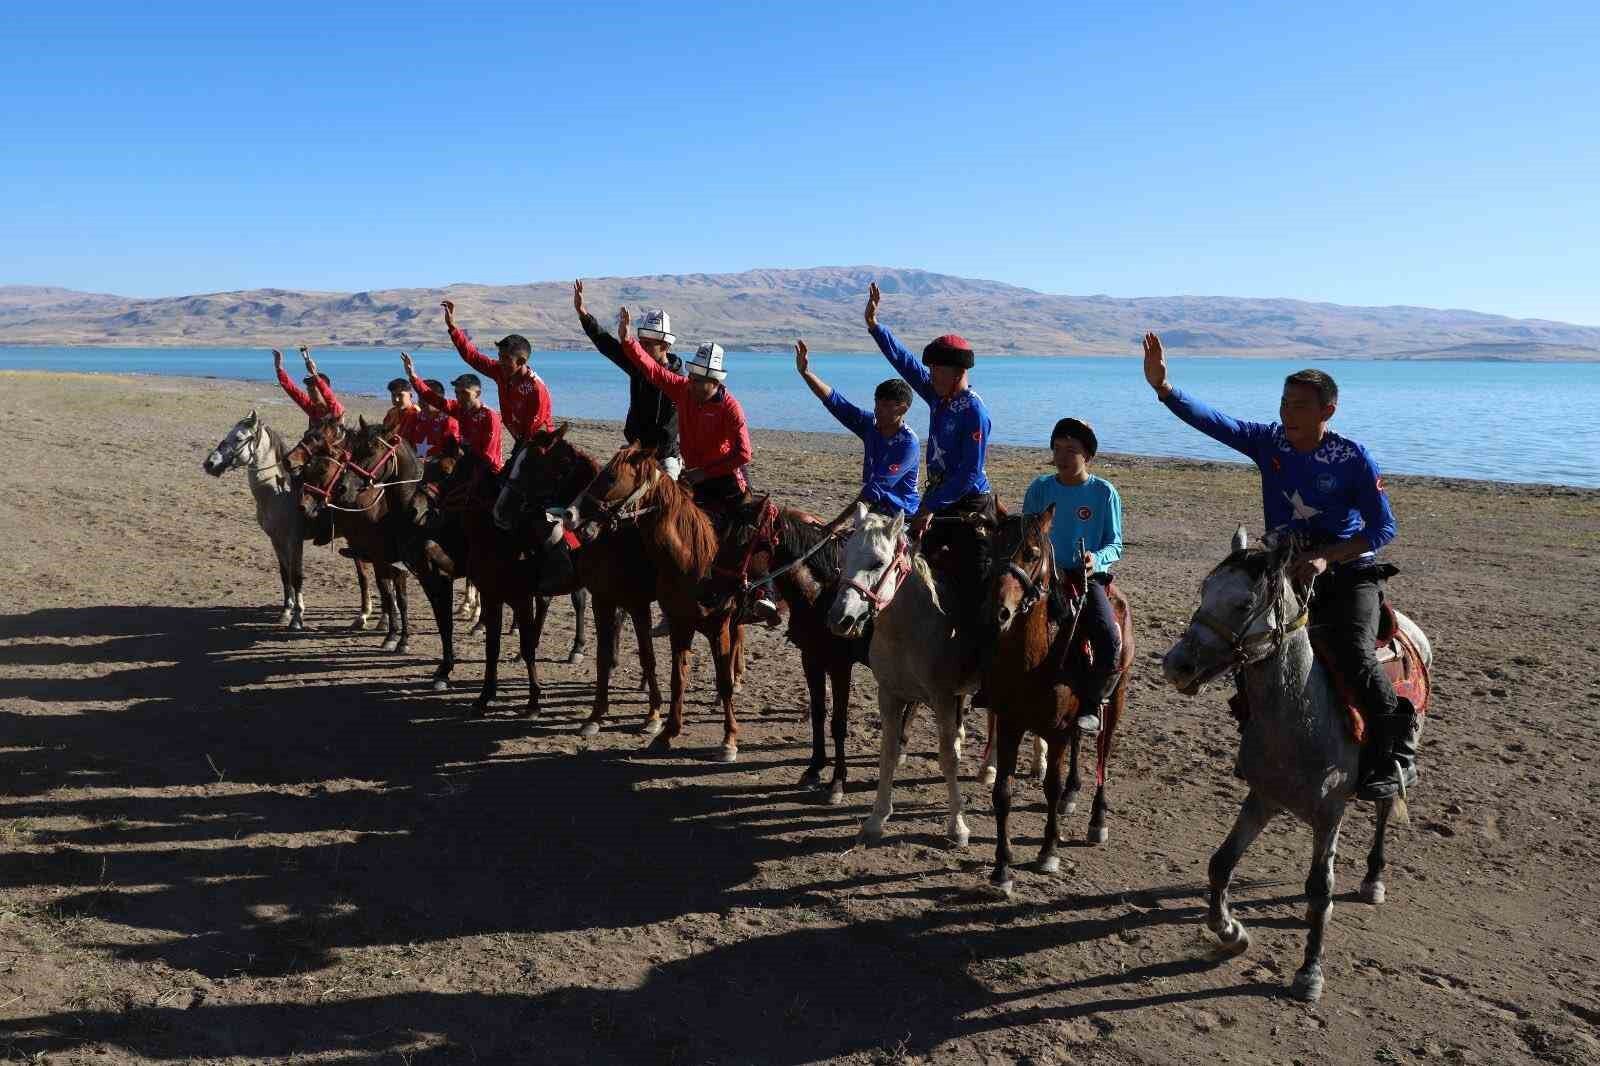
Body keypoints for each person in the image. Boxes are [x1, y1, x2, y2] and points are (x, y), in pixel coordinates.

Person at [1142, 332, 1413, 801]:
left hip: (1348, 574)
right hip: (1283, 572)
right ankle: (1263, 740)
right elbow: (1216, 423)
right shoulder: (1270, 444)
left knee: (1354, 653)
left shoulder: (1351, 458)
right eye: (1285, 403)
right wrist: (1165, 389)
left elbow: (1383, 529)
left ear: (1328, 410)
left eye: (1300, 406)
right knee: (1242, 641)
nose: (1288, 413)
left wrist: (1328, 557)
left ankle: (1395, 752)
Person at [613, 306, 779, 624]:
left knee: (749, 529)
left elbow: (744, 453)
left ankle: (765, 593)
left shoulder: (731, 408)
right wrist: (627, 341)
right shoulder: (684, 391)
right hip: (697, 475)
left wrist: (707, 470)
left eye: (700, 378)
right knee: (675, 525)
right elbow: (652, 370)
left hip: (728, 477)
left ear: (715, 382)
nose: (693, 381)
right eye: (692, 375)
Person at [864, 281, 994, 660]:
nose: (929, 375)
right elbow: (903, 362)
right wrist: (875, 326)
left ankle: (978, 664)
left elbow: (969, 474)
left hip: (969, 507)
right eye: (931, 370)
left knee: (977, 586)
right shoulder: (940, 396)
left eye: (937, 370)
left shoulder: (973, 411)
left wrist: (928, 505)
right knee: (907, 568)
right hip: (937, 501)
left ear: (956, 372)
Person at [1021, 418, 1124, 735]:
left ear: (1088, 456)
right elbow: (1027, 532)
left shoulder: (1104, 493)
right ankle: (990, 686)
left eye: (1072, 450)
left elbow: (1115, 542)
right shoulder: (1040, 488)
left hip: (1084, 578)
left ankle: (1093, 704)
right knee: (997, 613)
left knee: (1108, 636)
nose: (1063, 455)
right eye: (1058, 448)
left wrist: (1097, 559)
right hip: (1043, 576)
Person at [794, 338, 919, 516]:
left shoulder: (908, 443)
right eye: (876, 404)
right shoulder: (871, 426)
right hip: (871, 513)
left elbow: (875, 489)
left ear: (902, 408)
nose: (877, 410)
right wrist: (806, 373)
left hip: (900, 518)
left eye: (884, 406)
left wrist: (838, 523)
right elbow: (836, 403)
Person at [574, 280, 683, 479]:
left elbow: (678, 425)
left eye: (649, 344)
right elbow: (607, 344)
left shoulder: (679, 381)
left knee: (669, 499)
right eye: (642, 343)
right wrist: (583, 314)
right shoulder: (638, 368)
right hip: (635, 452)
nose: (643, 348)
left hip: (664, 457)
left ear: (665, 345)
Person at [440, 299, 551, 451]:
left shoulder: (535, 389)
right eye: (499, 356)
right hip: (521, 441)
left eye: (506, 358)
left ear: (521, 361)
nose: (500, 361)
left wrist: (522, 449)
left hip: (541, 445)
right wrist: (453, 328)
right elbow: (473, 357)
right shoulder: (500, 371)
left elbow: (536, 427)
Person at [402, 353, 503, 473]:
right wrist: (412, 376)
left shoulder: (489, 416)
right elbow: (434, 399)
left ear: (478, 393)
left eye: (465, 393)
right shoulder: (460, 409)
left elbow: (488, 456)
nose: (460, 397)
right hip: (466, 466)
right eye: (457, 393)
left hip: (488, 471)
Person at [383, 377, 459, 460]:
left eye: (425, 399)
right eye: (420, 398)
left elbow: (451, 453)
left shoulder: (448, 421)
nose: (420, 402)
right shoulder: (415, 417)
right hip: (415, 465)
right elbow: (403, 442)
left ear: (438, 400)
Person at [274, 346, 344, 425]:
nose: (310, 394)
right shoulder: (313, 409)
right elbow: (294, 392)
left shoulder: (335, 408)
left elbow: (327, 393)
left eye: (313, 390)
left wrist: (314, 374)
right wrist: (279, 369)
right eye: (308, 390)